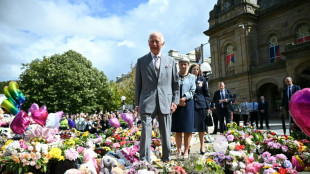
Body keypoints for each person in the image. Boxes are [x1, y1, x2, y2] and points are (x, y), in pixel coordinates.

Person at [135, 31, 179, 163]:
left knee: (166, 133)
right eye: (152, 41)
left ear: (163, 43)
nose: (154, 44)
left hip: (166, 102)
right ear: (148, 43)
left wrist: (175, 101)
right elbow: (138, 84)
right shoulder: (141, 61)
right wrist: (137, 104)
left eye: (157, 41)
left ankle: (167, 159)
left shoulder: (170, 61)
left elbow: (175, 84)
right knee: (146, 133)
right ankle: (144, 161)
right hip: (146, 102)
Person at [189, 63, 210, 155]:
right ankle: (188, 145)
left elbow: (206, 94)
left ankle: (202, 145)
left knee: (201, 127)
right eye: (194, 69)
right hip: (190, 105)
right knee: (189, 127)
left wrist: (208, 106)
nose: (196, 71)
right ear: (190, 70)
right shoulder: (187, 79)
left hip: (201, 105)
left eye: (197, 69)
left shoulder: (203, 80)